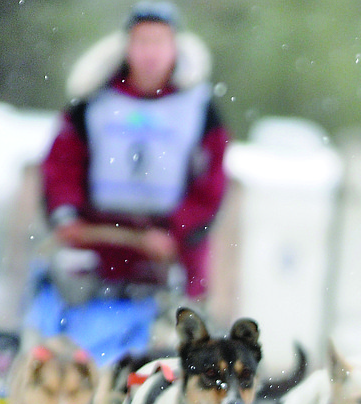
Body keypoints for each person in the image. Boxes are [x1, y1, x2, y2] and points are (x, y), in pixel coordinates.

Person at [32, 1, 229, 361]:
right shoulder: (93, 103)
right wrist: (67, 216)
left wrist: (176, 232)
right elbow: (60, 166)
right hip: (96, 255)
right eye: (142, 42)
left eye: (159, 42)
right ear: (127, 47)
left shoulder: (200, 108)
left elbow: (211, 185)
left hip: (170, 263)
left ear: (175, 48)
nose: (150, 53)